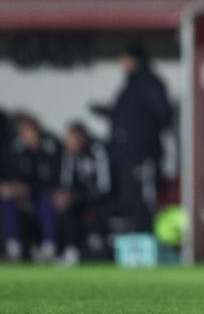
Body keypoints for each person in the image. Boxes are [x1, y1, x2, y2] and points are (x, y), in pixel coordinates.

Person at [91, 42, 172, 232]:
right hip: (125, 156)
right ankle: (132, 239)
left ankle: (147, 240)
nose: (122, 64)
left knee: (142, 198)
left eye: (125, 60)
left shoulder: (148, 84)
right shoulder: (131, 85)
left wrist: (140, 137)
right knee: (127, 197)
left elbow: (163, 115)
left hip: (141, 155)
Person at [1, 114, 61, 262]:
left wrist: (28, 189)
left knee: (47, 201)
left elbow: (51, 179)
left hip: (40, 197)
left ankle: (49, 247)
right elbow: (10, 177)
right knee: (7, 200)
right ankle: (13, 247)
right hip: (20, 198)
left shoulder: (50, 151)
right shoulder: (16, 153)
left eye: (30, 132)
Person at [55, 122, 112, 265]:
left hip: (101, 197)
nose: (70, 143)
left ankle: (101, 246)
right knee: (63, 206)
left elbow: (104, 185)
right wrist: (64, 195)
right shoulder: (69, 155)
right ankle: (68, 249)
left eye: (73, 140)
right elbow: (66, 182)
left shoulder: (98, 150)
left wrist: (77, 196)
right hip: (80, 198)